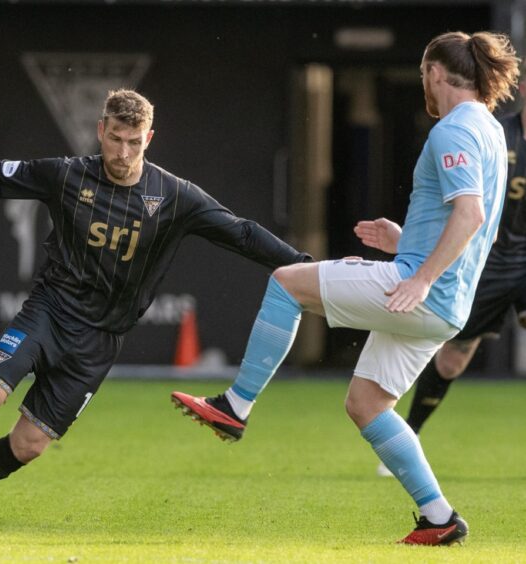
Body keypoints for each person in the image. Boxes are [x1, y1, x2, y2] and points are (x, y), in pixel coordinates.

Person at [0, 88, 312, 507]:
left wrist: (304, 265)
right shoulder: (66, 176)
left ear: (150, 137)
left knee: (28, 445)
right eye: (115, 139)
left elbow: (243, 233)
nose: (123, 152)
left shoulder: (173, 195)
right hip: (50, 311)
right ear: (100, 130)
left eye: (134, 141)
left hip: (100, 341)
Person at [171, 31, 519, 546]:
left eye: (424, 73)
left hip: (420, 291)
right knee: (367, 404)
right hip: (447, 304)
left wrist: (420, 275)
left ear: (435, 73)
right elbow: (471, 222)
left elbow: (471, 215)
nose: (424, 82)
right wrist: (407, 242)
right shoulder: (490, 129)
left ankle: (235, 406)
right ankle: (439, 517)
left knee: (286, 283)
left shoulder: (454, 130)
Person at [375, 71, 526, 477]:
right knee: (452, 360)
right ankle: (410, 431)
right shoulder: (497, 135)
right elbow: (466, 207)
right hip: (489, 264)